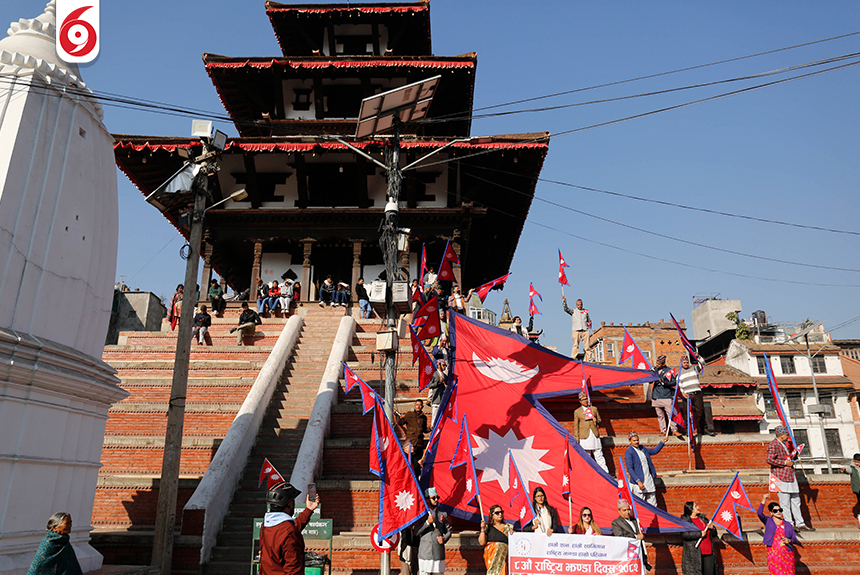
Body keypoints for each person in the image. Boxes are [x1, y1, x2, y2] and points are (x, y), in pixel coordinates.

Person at [260, 481, 320, 575]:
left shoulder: (266, 525)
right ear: (289, 503)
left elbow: (291, 529)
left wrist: (309, 509)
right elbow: (293, 569)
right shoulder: (289, 531)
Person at [766, 426, 812, 531]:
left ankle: (800, 523)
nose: (788, 437)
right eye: (787, 434)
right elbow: (769, 459)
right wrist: (784, 463)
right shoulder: (774, 444)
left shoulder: (784, 444)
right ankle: (789, 524)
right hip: (781, 476)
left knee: (796, 500)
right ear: (781, 435)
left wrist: (793, 455)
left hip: (790, 475)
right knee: (785, 502)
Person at [413, 487, 451, 575]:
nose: (436, 500)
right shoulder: (421, 515)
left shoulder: (443, 514)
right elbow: (416, 532)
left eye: (437, 497)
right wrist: (427, 523)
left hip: (438, 553)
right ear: (427, 500)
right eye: (433, 498)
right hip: (425, 554)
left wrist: (444, 538)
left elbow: (448, 531)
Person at [758, 494, 798, 575]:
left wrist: (789, 540)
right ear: (771, 512)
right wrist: (764, 499)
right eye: (775, 511)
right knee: (776, 572)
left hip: (787, 552)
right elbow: (759, 513)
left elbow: (794, 538)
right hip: (774, 551)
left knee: (789, 572)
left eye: (780, 510)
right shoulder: (768, 521)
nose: (778, 512)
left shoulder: (787, 524)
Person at [677, 357, 716, 437]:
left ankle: (704, 429)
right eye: (684, 363)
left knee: (700, 412)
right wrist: (682, 393)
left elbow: (703, 364)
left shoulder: (694, 368)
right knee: (687, 413)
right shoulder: (679, 373)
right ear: (681, 363)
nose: (686, 364)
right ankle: (688, 431)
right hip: (687, 395)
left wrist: (698, 357)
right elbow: (679, 385)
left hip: (697, 393)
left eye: (687, 362)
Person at [623, 430, 664, 505]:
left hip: (649, 480)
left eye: (637, 440)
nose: (636, 442)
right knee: (641, 506)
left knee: (653, 505)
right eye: (634, 440)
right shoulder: (629, 452)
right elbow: (629, 468)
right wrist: (638, 481)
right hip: (639, 483)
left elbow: (654, 451)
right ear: (630, 441)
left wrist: (662, 442)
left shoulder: (642, 448)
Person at [611, 499, 651, 572]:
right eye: (624, 510)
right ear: (619, 511)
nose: (627, 512)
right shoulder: (616, 523)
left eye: (628, 510)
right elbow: (620, 537)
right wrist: (635, 537)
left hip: (639, 554)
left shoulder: (635, 521)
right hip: (627, 555)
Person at [574, 392, 609, 473]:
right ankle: (587, 473)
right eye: (583, 400)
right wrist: (577, 437)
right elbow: (576, 425)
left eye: (586, 399)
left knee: (598, 454)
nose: (585, 401)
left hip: (594, 434)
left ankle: (605, 473)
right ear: (580, 401)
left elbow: (600, 420)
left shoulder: (594, 409)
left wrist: (596, 420)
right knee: (586, 455)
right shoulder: (577, 411)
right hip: (584, 435)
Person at [680, 501, 718, 575]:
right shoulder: (686, 521)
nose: (698, 508)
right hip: (695, 554)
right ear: (691, 509)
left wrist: (712, 528)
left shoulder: (703, 519)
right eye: (695, 506)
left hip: (709, 552)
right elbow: (685, 534)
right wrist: (699, 534)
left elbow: (714, 534)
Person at [650, 355, 683, 438]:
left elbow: (673, 383)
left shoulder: (669, 371)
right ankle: (663, 431)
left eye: (659, 364)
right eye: (657, 363)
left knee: (670, 414)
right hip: (656, 395)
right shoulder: (654, 370)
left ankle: (674, 430)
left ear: (663, 364)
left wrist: (664, 382)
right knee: (660, 416)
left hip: (666, 396)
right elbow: (649, 381)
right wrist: (650, 374)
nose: (657, 365)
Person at [395, 400, 430, 475]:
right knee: (411, 463)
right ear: (414, 405)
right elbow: (400, 422)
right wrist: (396, 415)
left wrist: (431, 428)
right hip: (411, 444)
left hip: (419, 444)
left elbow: (424, 430)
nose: (418, 406)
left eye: (420, 405)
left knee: (418, 464)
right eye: (417, 405)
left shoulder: (423, 417)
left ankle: (416, 482)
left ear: (422, 407)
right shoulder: (409, 415)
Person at [478, 504, 513, 575]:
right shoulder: (488, 527)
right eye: (497, 513)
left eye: (501, 512)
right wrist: (482, 529)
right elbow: (482, 542)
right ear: (492, 515)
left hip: (503, 558)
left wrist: (513, 535)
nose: (500, 514)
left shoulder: (508, 527)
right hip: (491, 557)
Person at [840, 453, 860, 528]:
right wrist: (844, 469)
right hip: (858, 489)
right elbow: (848, 469)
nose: (857, 464)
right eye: (856, 462)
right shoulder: (853, 468)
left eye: (858, 462)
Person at [428, 360, 448, 425]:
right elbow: (430, 385)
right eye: (443, 365)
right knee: (434, 417)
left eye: (445, 365)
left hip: (443, 399)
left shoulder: (444, 375)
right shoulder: (434, 374)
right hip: (436, 399)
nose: (445, 367)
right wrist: (438, 382)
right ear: (439, 365)